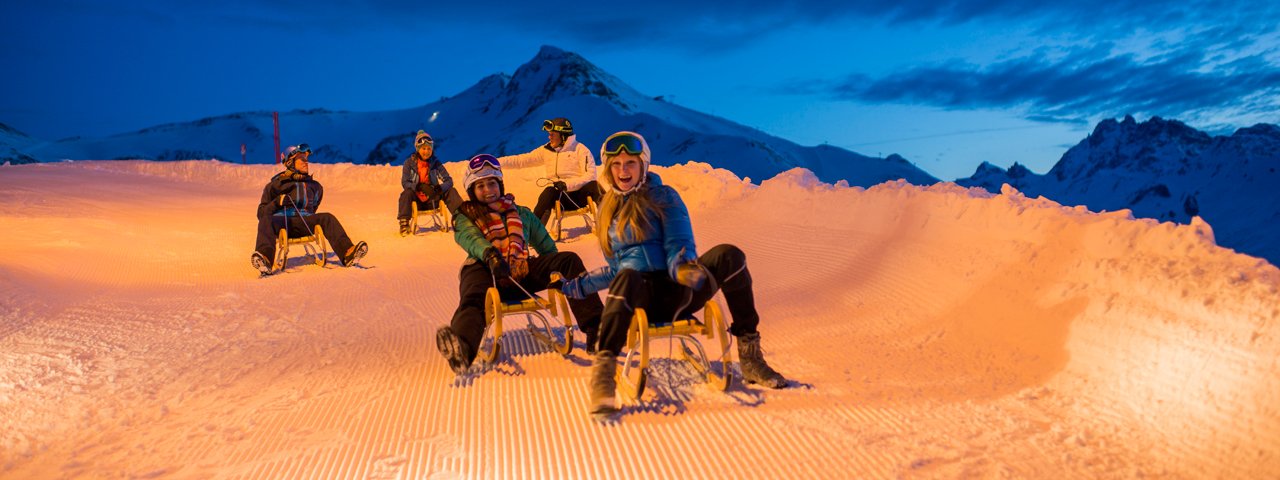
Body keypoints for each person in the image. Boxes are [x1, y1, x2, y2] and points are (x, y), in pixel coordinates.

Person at [553, 131, 788, 415]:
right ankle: (604, 374)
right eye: (616, 164)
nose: (623, 170)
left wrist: (684, 269)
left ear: (643, 165)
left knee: (730, 255)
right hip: (637, 297)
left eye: (630, 163)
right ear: (608, 169)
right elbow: (614, 271)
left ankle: (750, 357)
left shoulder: (663, 196)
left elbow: (679, 242)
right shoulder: (607, 210)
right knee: (626, 275)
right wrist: (574, 287)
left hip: (678, 290)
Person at [435, 154, 605, 375]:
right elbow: (469, 238)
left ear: (500, 184)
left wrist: (555, 272)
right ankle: (462, 348)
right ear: (472, 191)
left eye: (492, 183)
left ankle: (597, 330)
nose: (488, 190)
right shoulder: (465, 215)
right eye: (481, 186)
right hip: (484, 269)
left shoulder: (521, 213)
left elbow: (545, 246)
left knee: (568, 260)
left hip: (520, 270)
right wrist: (490, 255)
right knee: (473, 297)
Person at [250, 144, 368, 274]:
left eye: (307, 159)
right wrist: (277, 202)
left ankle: (348, 253)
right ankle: (265, 259)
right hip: (282, 223)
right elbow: (261, 214)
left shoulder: (315, 186)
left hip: (305, 222)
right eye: (302, 159)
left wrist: (307, 215)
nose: (306, 163)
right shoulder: (275, 185)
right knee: (266, 220)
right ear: (290, 162)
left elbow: (314, 206)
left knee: (327, 218)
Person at [497, 117, 600, 225]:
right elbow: (521, 160)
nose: (549, 137)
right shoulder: (546, 150)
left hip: (579, 197)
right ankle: (535, 233)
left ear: (563, 135)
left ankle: (611, 223)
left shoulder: (580, 150)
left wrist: (566, 185)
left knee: (594, 185)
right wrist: (496, 162)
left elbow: (591, 175)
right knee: (548, 192)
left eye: (552, 134)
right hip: (560, 199)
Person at [398, 130, 463, 236]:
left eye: (429, 148)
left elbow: (449, 181)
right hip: (417, 199)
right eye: (423, 148)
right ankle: (404, 223)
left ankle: (462, 219)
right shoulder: (409, 163)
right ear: (418, 149)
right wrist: (418, 186)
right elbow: (405, 182)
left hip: (433, 199)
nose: (426, 151)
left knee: (451, 191)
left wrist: (439, 188)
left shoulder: (435, 163)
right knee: (406, 194)